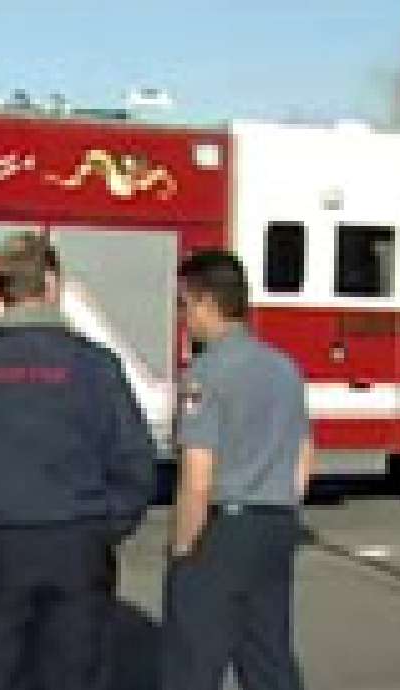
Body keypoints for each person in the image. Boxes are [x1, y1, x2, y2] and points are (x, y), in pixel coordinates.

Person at [0, 231, 155, 690]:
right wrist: (104, 528)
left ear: (0, 290)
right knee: (77, 673)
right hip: (79, 542)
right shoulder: (97, 368)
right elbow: (135, 463)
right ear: (52, 283)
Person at [163, 250, 314, 690]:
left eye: (184, 304)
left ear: (208, 303)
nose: (182, 317)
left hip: (223, 530)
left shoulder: (206, 374)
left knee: (192, 661)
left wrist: (182, 550)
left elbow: (197, 474)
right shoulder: (284, 368)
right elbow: (304, 454)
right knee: (268, 657)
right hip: (275, 525)